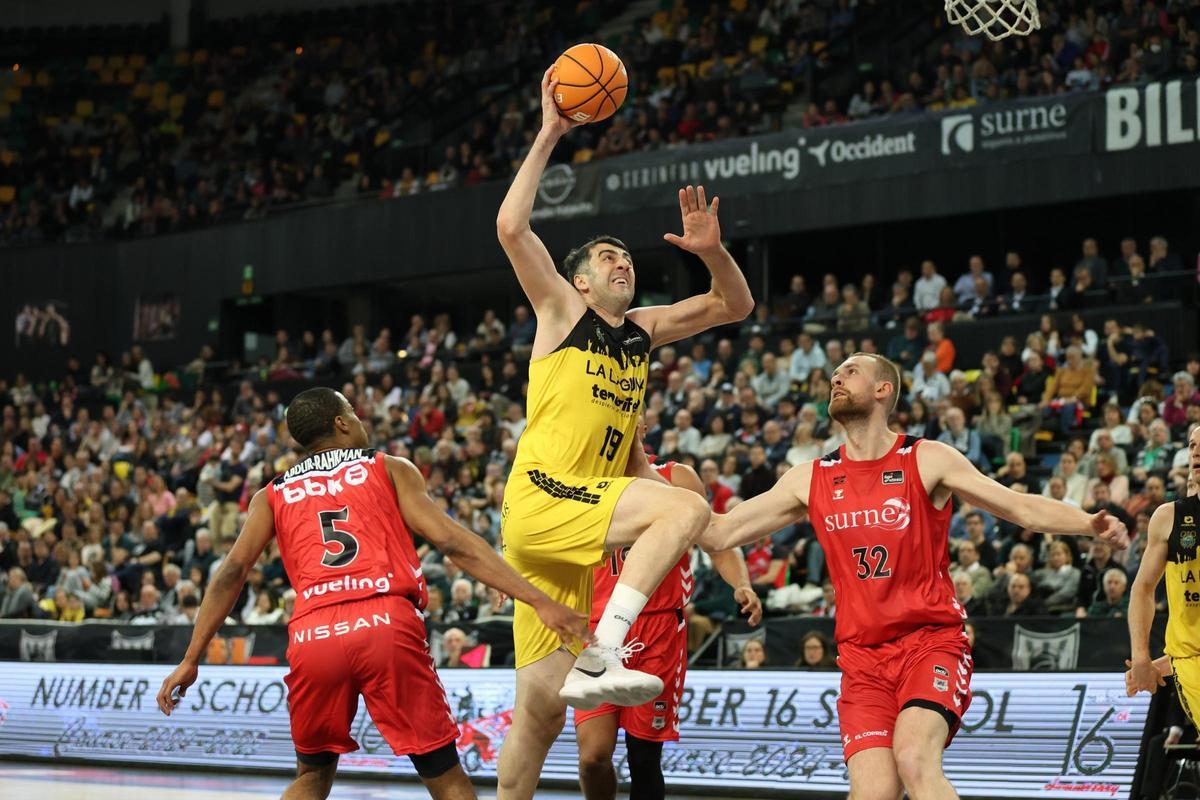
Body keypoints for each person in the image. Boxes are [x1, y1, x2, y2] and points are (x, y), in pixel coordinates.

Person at [492, 67, 753, 800]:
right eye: (606, 258)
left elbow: (734, 305)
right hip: (546, 498)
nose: (622, 262)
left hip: (570, 526)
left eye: (628, 258)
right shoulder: (559, 313)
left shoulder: (641, 331)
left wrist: (710, 252)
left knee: (539, 716)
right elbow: (511, 227)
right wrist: (551, 130)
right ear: (577, 281)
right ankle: (606, 651)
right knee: (683, 506)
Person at [706, 352, 1128, 799]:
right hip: (860, 659)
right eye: (835, 374)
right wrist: (648, 483)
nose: (837, 377)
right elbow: (721, 531)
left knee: (913, 757)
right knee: (872, 792)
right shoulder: (810, 476)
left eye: (851, 371)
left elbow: (1017, 506)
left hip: (929, 642)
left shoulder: (926, 458)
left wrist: (1087, 522)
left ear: (883, 389)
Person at [157, 388, 587, 800]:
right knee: (442, 772)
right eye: (355, 413)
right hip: (384, 622)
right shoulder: (388, 466)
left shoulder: (271, 494)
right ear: (341, 423)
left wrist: (192, 657)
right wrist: (536, 598)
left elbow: (231, 571)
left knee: (312, 775)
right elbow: (451, 542)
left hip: (312, 634)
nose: (362, 421)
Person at [575, 458, 761, 800]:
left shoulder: (676, 477)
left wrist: (741, 584)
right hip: (598, 629)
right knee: (593, 758)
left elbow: (715, 538)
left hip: (658, 626)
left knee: (643, 758)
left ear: (643, 427)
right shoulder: (580, 478)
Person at [1126, 427, 1200, 713]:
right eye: (1192, 445)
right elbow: (1143, 589)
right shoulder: (1170, 517)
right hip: (1191, 667)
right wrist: (1141, 658)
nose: (1196, 451)